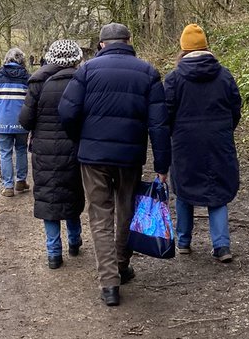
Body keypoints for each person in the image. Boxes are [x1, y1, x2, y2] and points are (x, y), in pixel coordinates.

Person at [58, 22, 171, 307]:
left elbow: (67, 111)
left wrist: (80, 140)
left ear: (101, 44)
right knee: (126, 210)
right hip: (129, 157)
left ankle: (109, 283)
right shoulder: (147, 72)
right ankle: (121, 264)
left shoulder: (86, 71)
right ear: (128, 41)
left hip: (93, 157)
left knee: (99, 215)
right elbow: (159, 124)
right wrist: (162, 164)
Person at [163, 23, 242, 262]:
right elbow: (235, 108)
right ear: (206, 46)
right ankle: (221, 245)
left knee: (184, 189)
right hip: (219, 140)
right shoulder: (224, 74)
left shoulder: (174, 78)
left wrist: (172, 133)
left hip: (185, 142)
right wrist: (225, 129)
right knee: (217, 190)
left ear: (183, 48)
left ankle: (184, 241)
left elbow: (166, 112)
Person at [19, 38, 85, 269]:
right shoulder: (81, 80)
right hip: (73, 148)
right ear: (75, 57)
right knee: (72, 193)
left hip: (43, 150)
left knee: (49, 197)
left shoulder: (37, 82)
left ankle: (53, 253)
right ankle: (75, 241)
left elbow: (25, 121)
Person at [0, 47, 31, 197]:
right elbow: (31, 101)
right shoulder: (27, 77)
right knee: (21, 150)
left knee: (5, 153)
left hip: (2, 121)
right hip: (22, 121)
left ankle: (8, 186)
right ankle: (21, 180)